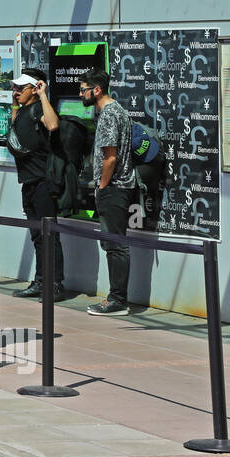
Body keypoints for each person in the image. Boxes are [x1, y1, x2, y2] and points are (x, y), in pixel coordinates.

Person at [82, 69, 139, 316]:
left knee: (115, 244)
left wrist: (101, 185)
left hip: (114, 187)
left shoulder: (108, 115)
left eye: (84, 89)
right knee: (116, 243)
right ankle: (117, 297)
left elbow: (110, 156)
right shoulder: (119, 111)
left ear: (97, 90)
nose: (80, 94)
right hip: (121, 186)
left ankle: (117, 299)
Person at [7, 69, 67, 301]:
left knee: (49, 235)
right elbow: (15, 134)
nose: (16, 91)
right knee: (37, 236)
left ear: (35, 88)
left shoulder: (40, 108)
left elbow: (52, 126)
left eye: (21, 88)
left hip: (43, 182)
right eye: (15, 87)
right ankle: (41, 280)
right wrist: (14, 107)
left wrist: (44, 95)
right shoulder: (23, 111)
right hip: (28, 182)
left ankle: (55, 284)